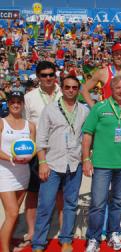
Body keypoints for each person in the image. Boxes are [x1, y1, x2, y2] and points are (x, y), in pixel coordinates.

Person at [31, 76, 89, 252]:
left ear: (78, 89)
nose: (70, 90)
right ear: (62, 88)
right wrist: (42, 162)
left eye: (74, 87)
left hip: (74, 164)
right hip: (53, 164)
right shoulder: (50, 110)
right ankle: (38, 243)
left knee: (71, 204)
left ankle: (66, 240)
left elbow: (87, 137)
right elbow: (41, 139)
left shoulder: (84, 111)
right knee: (45, 205)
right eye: (67, 87)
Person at [82, 76, 121, 252]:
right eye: (117, 88)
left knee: (119, 202)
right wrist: (86, 159)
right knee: (98, 203)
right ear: (111, 89)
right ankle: (93, 238)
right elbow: (87, 135)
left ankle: (114, 234)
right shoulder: (99, 107)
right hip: (102, 164)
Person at [19, 61, 63, 251]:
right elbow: (25, 125)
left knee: (61, 193)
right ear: (38, 77)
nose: (47, 78)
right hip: (38, 152)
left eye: (50, 74)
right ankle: (31, 231)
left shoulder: (65, 92)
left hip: (61, 150)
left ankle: (63, 231)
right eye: (43, 75)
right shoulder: (29, 98)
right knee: (33, 194)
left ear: (55, 75)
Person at [0, 91, 35, 252]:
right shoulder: (1, 123)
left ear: (23, 104)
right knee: (13, 213)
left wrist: (29, 157)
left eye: (18, 102)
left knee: (13, 213)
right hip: (5, 172)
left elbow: (33, 148)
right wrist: (10, 158)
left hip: (23, 173)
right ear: (8, 104)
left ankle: (8, 242)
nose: (15, 104)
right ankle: (5, 249)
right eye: (12, 102)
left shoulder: (30, 125)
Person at [81, 42, 121, 107]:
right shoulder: (102, 73)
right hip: (107, 114)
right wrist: (93, 106)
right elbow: (83, 88)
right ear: (112, 55)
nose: (119, 56)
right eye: (116, 54)